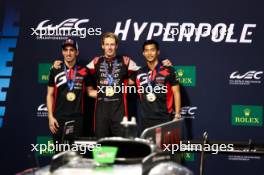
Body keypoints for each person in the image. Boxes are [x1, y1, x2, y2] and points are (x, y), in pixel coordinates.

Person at [46, 38, 95, 144]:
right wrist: (50, 117)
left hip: (77, 119)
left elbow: (90, 92)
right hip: (58, 119)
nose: (68, 53)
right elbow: (50, 95)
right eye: (66, 50)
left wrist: (108, 93)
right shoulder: (55, 69)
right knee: (59, 154)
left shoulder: (84, 71)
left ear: (77, 52)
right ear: (62, 52)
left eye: (71, 50)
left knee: (75, 156)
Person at [129, 40, 181, 133]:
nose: (149, 53)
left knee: (164, 147)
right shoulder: (139, 72)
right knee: (147, 147)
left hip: (165, 118)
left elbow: (176, 93)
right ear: (143, 53)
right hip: (146, 119)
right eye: (147, 50)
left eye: (152, 50)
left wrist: (177, 115)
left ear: (158, 52)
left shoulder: (169, 70)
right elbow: (125, 82)